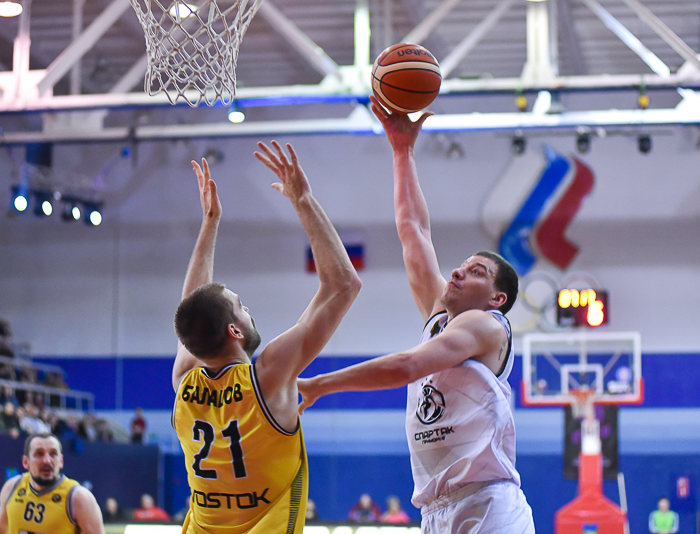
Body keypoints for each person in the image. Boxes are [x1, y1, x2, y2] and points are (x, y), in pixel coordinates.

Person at [297, 97, 534, 534]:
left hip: (488, 504)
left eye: (477, 272)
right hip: (435, 512)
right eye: (461, 265)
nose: (458, 271)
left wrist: (318, 384)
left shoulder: (487, 326)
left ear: (497, 299)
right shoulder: (440, 317)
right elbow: (414, 231)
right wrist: (402, 150)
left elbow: (407, 366)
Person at [171, 142, 361, 534]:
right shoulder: (268, 378)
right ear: (235, 330)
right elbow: (343, 285)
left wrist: (210, 225)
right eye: (241, 306)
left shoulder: (184, 384)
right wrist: (303, 200)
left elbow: (193, 313)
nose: (248, 309)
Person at [0, 432, 105, 534]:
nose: (47, 460)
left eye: (53, 454)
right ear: (25, 462)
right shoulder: (12, 487)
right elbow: (0, 529)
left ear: (61, 461)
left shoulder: (78, 497)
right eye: (39, 454)